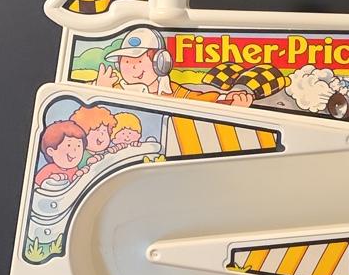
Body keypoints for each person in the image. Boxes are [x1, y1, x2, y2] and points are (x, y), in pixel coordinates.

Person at [95, 26, 255, 106]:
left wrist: (228, 100)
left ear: (160, 62)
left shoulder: (172, 90)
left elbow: (199, 98)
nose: (133, 68)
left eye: (139, 61)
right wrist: (100, 90)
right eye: (127, 62)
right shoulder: (115, 90)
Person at [34, 120, 89, 186]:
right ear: (51, 151)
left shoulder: (75, 169)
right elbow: (37, 184)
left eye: (79, 146)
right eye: (69, 145)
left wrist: (80, 177)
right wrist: (51, 180)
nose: (75, 150)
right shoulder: (49, 169)